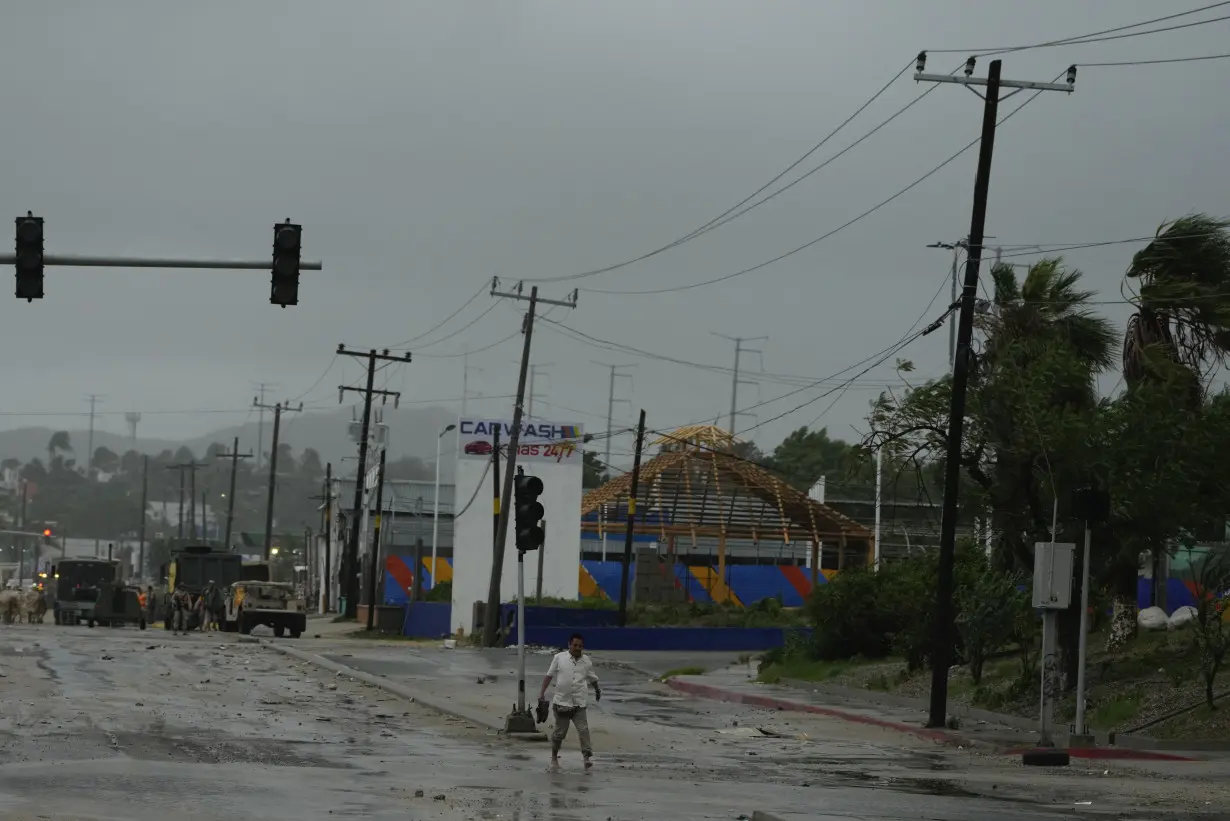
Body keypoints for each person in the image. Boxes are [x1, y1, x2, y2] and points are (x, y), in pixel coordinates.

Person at [538, 632, 601, 771]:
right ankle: (554, 758)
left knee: (583, 730)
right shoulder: (559, 658)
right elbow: (549, 675)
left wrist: (597, 690)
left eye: (580, 646)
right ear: (569, 645)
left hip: (579, 703)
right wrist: (542, 693)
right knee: (560, 733)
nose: (577, 648)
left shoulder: (586, 661)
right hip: (562, 703)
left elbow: (592, 677)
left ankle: (586, 758)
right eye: (575, 645)